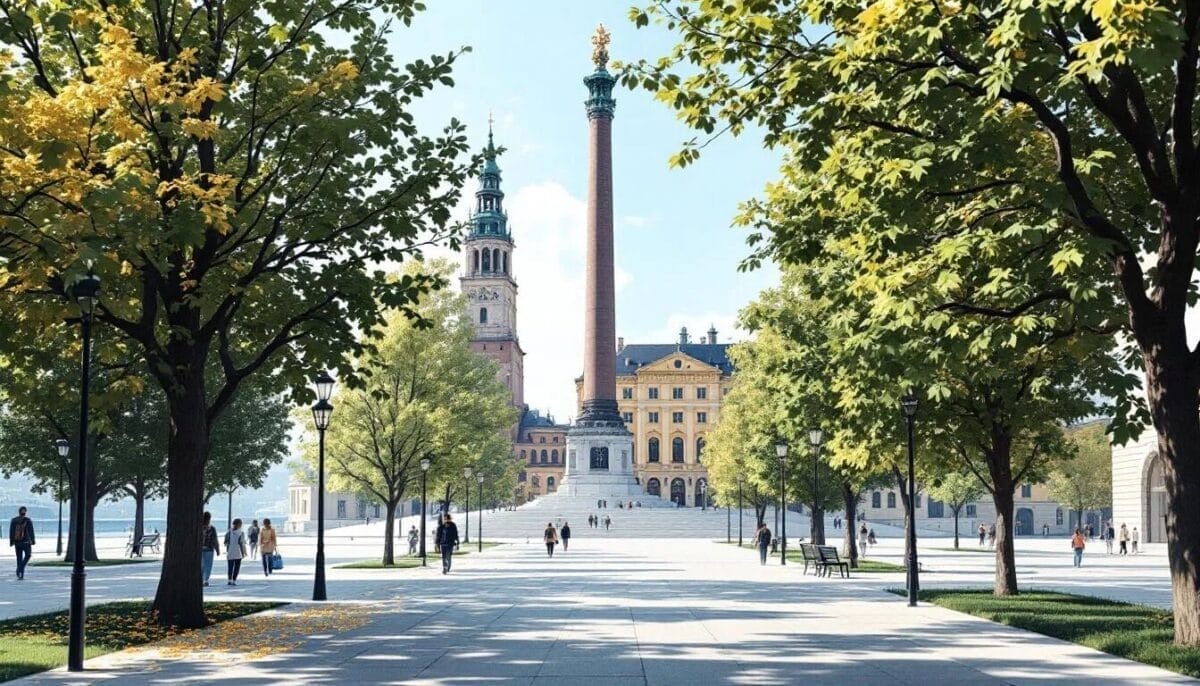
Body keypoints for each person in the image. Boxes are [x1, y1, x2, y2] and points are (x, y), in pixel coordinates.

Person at [9, 506, 34, 580]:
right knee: (28, 555)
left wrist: (11, 541)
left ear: (19, 512)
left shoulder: (14, 520)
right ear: (25, 512)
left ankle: (20, 574)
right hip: (26, 542)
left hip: (17, 542)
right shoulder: (28, 520)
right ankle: (20, 568)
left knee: (19, 558)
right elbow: (31, 531)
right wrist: (33, 540)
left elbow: (11, 532)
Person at [200, 511, 220, 587]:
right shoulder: (212, 528)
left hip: (200, 549)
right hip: (209, 549)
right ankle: (205, 580)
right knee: (208, 565)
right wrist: (217, 549)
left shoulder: (198, 527)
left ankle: (201, 579)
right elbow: (215, 539)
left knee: (201, 565)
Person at [225, 518, 247, 586]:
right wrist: (244, 553)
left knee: (230, 567)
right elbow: (242, 544)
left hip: (230, 552)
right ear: (240, 525)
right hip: (238, 552)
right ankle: (234, 580)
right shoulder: (241, 533)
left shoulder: (229, 532)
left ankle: (229, 580)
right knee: (237, 567)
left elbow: (226, 542)